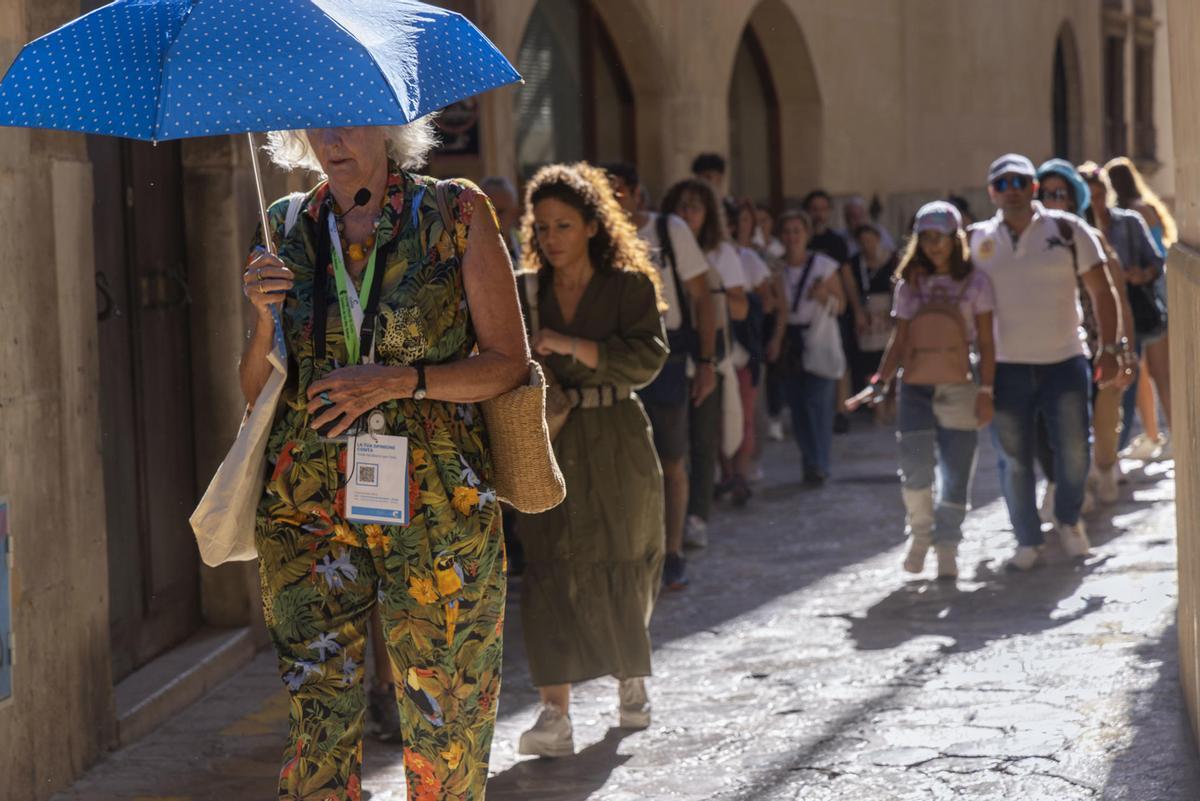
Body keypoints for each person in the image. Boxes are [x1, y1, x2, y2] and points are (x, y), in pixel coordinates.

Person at [243, 123, 528, 800]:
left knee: (446, 719)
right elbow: (257, 390)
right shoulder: (284, 223)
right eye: (317, 121)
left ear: (392, 126)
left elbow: (508, 362)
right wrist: (261, 319)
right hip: (306, 506)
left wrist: (400, 380)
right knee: (318, 725)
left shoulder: (453, 212)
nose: (333, 137)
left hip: (437, 504)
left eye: (351, 118)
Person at [514, 162, 669, 757]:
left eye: (564, 225)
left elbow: (648, 360)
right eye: (542, 226)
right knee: (549, 565)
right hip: (550, 440)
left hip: (618, 435)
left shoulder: (629, 286)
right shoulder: (525, 290)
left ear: (592, 227)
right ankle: (555, 713)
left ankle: (631, 678)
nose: (551, 238)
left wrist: (571, 345)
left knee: (626, 556)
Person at [969, 154, 1120, 571]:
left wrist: (1110, 348)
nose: (1012, 189)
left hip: (1065, 360)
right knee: (1013, 459)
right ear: (991, 193)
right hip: (1006, 368)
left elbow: (1102, 291)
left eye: (1020, 181)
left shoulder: (1069, 230)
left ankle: (1069, 519)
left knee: (1074, 450)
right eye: (1003, 183)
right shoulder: (977, 242)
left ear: (1033, 187)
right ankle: (1027, 539)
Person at [848, 202, 995, 579]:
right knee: (914, 467)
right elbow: (901, 338)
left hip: (961, 385)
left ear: (954, 238)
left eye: (940, 238)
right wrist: (881, 381)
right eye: (926, 238)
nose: (934, 246)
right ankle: (920, 535)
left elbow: (987, 340)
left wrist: (988, 390)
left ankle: (948, 545)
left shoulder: (976, 282)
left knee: (957, 471)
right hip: (915, 388)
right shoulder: (910, 283)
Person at [605, 162, 718, 591]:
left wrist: (706, 362)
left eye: (618, 192)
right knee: (625, 459)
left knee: (672, 459)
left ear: (637, 193)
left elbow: (703, 298)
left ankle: (672, 552)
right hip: (616, 356)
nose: (612, 202)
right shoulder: (600, 234)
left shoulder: (670, 231)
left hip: (668, 356)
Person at [1036, 160, 1137, 507]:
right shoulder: (1028, 247)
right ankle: (1070, 488)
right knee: (1067, 425)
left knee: (1106, 416)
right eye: (1045, 193)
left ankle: (1105, 469)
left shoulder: (1090, 240)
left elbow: (1118, 300)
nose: (1051, 200)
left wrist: (1123, 350)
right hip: (1059, 348)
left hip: (1099, 343)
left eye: (1059, 193)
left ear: (1071, 198)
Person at [662, 178, 749, 548]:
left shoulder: (721, 255)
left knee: (702, 438)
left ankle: (697, 515)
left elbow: (742, 307)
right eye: (681, 205)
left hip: (711, 356)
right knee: (672, 445)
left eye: (695, 206)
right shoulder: (661, 247)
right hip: (672, 356)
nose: (688, 213)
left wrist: (711, 297)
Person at [1079, 161, 1164, 473]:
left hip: (1130, 316)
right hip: (1087, 327)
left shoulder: (1127, 223)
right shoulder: (1072, 232)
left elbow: (1156, 259)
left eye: (1099, 195)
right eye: (1089, 197)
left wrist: (1141, 275)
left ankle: (1109, 457)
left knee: (1122, 389)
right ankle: (1098, 459)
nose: (1096, 202)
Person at [1105, 156, 1175, 461]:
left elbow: (1156, 254)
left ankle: (1171, 433)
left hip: (1149, 299)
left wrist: (1141, 274)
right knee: (1144, 372)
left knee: (1158, 373)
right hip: (1150, 295)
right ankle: (1153, 434)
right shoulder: (1142, 207)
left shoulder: (1133, 213)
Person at [768, 208, 846, 484]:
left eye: (797, 231)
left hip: (818, 339)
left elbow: (842, 305)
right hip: (789, 341)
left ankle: (819, 463)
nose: (792, 237)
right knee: (798, 406)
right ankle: (810, 462)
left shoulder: (823, 266)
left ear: (806, 234)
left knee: (818, 403)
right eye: (787, 232)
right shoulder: (775, 268)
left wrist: (824, 296)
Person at [722, 198, 785, 504]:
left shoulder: (748, 259)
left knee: (745, 415)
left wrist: (744, 307)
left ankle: (740, 477)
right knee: (720, 418)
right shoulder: (706, 257)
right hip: (715, 350)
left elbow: (771, 302)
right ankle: (726, 475)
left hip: (745, 350)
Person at [802, 189, 864, 434]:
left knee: (840, 359)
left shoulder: (835, 242)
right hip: (806, 313)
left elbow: (847, 278)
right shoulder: (799, 238)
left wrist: (857, 309)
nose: (818, 214)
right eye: (814, 208)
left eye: (822, 208)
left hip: (833, 310)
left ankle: (841, 410)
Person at [849, 223, 899, 398]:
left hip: (887, 314)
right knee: (869, 362)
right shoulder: (855, 263)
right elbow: (853, 289)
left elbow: (896, 285)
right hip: (867, 317)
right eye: (862, 241)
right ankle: (876, 404)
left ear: (878, 239)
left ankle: (891, 401)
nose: (866, 244)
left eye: (870, 240)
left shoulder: (892, 259)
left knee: (890, 357)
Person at [480, 175, 522, 261]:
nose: (494, 219)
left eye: (500, 212)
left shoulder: (529, 248)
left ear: (514, 213)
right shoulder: (467, 255)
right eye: (488, 212)